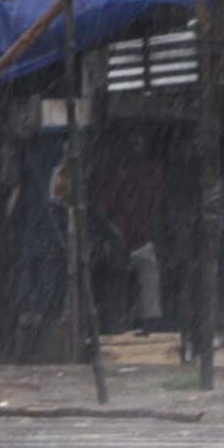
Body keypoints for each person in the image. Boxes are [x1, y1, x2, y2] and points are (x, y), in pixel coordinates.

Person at [96, 135, 163, 335]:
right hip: (121, 240)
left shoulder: (149, 173)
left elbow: (155, 207)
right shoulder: (116, 175)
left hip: (141, 240)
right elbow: (103, 209)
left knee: (147, 287)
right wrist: (114, 234)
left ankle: (147, 331)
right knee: (119, 289)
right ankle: (119, 330)